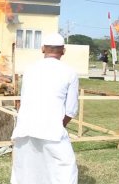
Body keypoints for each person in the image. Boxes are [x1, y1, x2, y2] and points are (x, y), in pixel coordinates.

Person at [11, 33, 79, 184]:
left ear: (42, 49)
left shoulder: (29, 70)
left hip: (25, 128)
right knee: (65, 170)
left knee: (26, 171)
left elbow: (24, 100)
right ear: (63, 51)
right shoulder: (70, 72)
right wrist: (58, 126)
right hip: (53, 131)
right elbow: (71, 110)